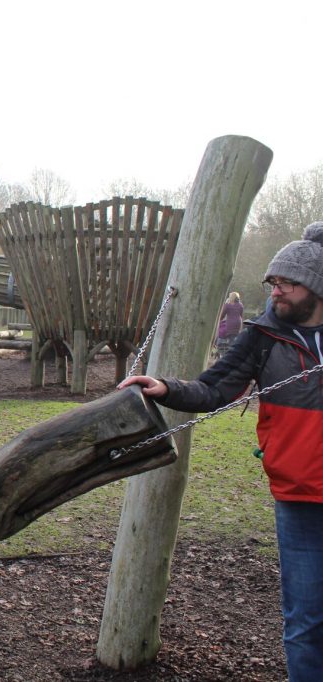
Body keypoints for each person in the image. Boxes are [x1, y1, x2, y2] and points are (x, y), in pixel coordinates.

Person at [119, 222, 323, 682]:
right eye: (273, 283)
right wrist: (166, 387)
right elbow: (213, 389)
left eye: (286, 283)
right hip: (301, 499)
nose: (276, 292)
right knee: (306, 619)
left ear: (315, 286)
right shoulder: (265, 337)